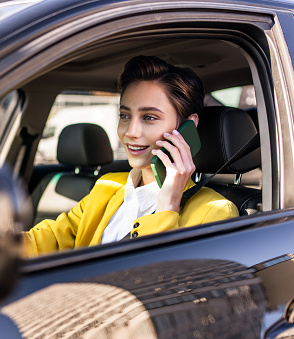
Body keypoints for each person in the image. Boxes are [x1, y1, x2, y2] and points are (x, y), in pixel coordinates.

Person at [24, 55, 238, 257]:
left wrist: (169, 205)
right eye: (125, 115)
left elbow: (160, 286)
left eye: (149, 117)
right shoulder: (107, 186)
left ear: (188, 126)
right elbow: (50, 238)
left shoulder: (214, 212)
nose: (130, 132)